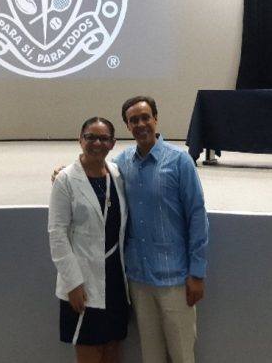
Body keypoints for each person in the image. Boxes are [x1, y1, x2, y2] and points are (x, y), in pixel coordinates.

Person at [114, 96, 208, 363]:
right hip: (139, 279)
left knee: (181, 354)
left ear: (156, 119)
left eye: (146, 117)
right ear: (127, 126)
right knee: (150, 355)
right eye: (134, 120)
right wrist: (64, 172)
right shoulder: (121, 163)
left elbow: (197, 217)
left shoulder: (180, 161)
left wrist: (197, 273)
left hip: (175, 279)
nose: (141, 124)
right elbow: (95, 173)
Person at [48, 116, 130, 363]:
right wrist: (73, 283)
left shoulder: (117, 175)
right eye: (90, 137)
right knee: (89, 352)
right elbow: (57, 233)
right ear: (80, 140)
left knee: (112, 350)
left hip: (115, 279)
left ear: (113, 143)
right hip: (82, 282)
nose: (97, 143)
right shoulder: (65, 180)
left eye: (103, 138)